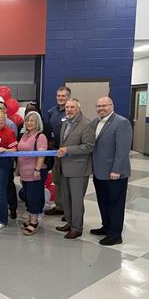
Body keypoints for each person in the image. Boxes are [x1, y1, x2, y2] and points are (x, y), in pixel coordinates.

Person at [91, 96, 132, 246]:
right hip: (99, 172)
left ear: (112, 106)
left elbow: (123, 150)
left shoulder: (121, 123)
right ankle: (106, 226)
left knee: (115, 203)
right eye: (98, 106)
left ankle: (115, 235)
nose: (101, 108)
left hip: (114, 174)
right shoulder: (95, 122)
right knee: (103, 201)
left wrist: (117, 170)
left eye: (104, 106)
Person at [55, 99, 94, 239]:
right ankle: (70, 222)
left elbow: (89, 146)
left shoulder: (86, 124)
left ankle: (77, 228)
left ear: (78, 108)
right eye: (67, 107)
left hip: (79, 168)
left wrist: (68, 150)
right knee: (66, 199)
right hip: (64, 167)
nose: (69, 109)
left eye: (72, 107)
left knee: (76, 201)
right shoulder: (65, 122)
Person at [17, 111, 48, 235]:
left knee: (33, 197)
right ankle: (30, 218)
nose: (29, 123)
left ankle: (34, 222)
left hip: (35, 172)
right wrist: (18, 170)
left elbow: (41, 155)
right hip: (24, 171)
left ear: (37, 123)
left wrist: (37, 170)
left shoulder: (40, 136)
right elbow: (20, 154)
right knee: (28, 197)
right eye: (27, 120)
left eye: (32, 121)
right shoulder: (24, 135)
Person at [45, 86, 71, 217]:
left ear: (68, 97)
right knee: (57, 179)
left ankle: (69, 211)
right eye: (58, 96)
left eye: (63, 96)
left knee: (67, 181)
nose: (60, 98)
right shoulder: (52, 111)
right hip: (55, 152)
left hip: (68, 154)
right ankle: (59, 206)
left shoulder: (71, 112)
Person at [0, 100, 18, 219]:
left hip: (6, 163)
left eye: (0, 108)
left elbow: (14, 145)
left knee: (8, 187)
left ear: (6, 110)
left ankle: (12, 209)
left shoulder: (11, 125)